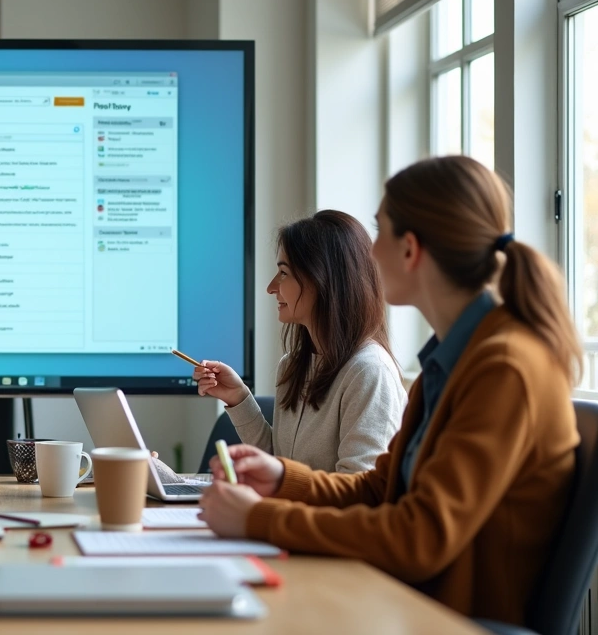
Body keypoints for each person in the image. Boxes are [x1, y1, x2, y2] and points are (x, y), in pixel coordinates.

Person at [199, 156, 582, 626]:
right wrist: (282, 479)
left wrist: (259, 519)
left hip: (443, 618)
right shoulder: (453, 361)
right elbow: (380, 488)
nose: (370, 255)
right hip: (410, 604)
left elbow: (419, 537)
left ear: (411, 249)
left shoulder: (505, 367)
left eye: (380, 232)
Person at [194, 210, 405, 473]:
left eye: (284, 273)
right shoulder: (293, 366)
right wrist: (238, 398)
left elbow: (358, 488)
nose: (271, 287)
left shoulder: (369, 372)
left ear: (323, 280)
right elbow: (280, 468)